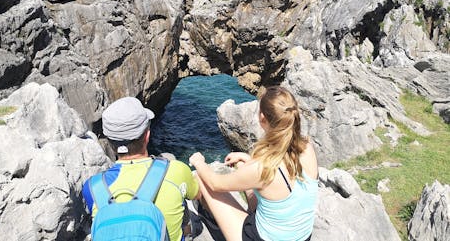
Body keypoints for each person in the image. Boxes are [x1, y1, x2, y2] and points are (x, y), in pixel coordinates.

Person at [189, 86, 318, 241]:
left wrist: (199, 162)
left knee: (202, 180)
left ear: (262, 118)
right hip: (301, 237)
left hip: (262, 238)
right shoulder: (307, 148)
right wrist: (247, 159)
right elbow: (280, 176)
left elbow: (215, 183)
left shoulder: (260, 168)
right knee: (248, 177)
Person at [82, 96, 201, 241]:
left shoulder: (92, 187)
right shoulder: (176, 170)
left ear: (109, 141)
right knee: (169, 159)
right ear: (147, 136)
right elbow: (198, 194)